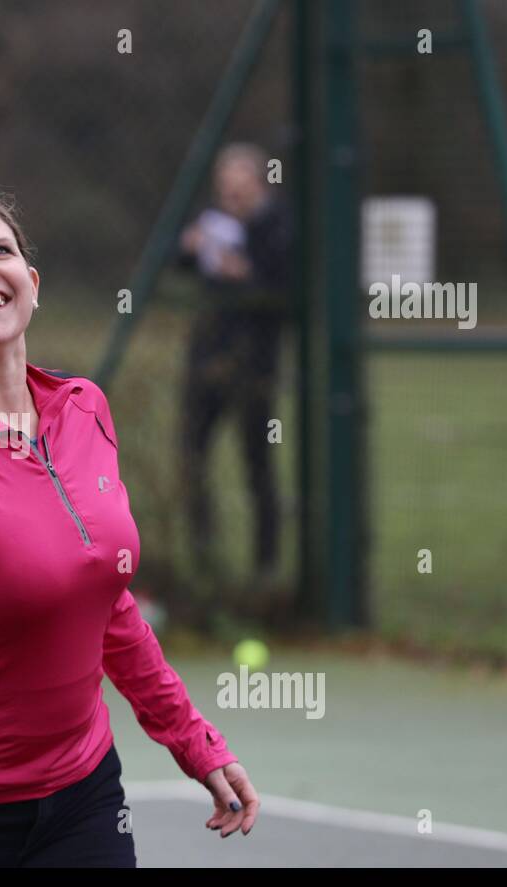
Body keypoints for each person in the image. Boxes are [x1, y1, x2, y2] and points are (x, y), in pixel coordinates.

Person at [0, 186, 259, 867]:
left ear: (29, 285)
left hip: (80, 796)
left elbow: (105, 600)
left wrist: (191, 737)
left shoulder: (83, 407)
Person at [177, 143, 292, 590]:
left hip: (254, 364)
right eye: (225, 187)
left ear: (258, 182)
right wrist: (188, 248)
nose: (230, 196)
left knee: (257, 462)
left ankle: (266, 565)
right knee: (191, 453)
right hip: (205, 359)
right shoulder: (212, 221)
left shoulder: (278, 226)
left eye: (239, 187)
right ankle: (203, 556)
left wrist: (244, 275)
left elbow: (282, 285)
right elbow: (180, 260)